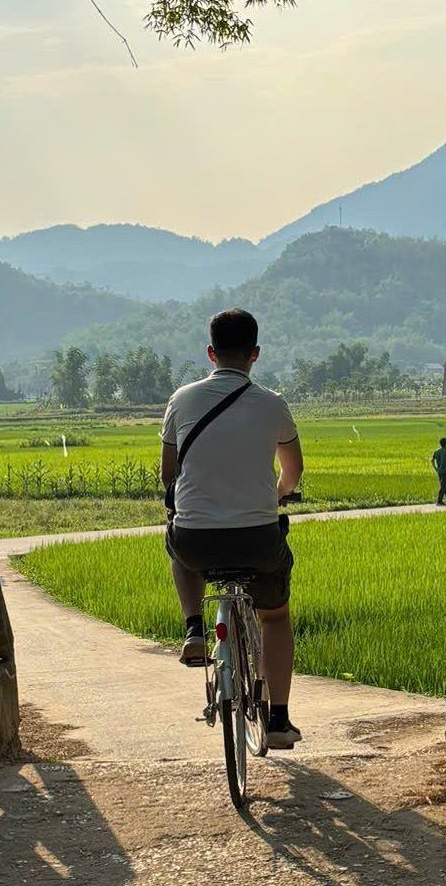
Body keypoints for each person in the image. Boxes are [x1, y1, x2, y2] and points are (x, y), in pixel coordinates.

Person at [162, 308, 306, 748]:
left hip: (197, 541)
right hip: (257, 539)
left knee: (176, 540)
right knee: (275, 616)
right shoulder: (273, 403)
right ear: (255, 354)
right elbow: (293, 472)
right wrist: (278, 493)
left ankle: (193, 629)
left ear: (210, 353)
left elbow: (168, 474)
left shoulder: (181, 400)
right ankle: (278, 720)